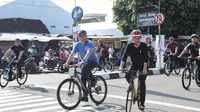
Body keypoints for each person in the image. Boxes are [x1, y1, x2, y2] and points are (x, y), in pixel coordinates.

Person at [64, 30, 99, 102]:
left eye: (85, 36)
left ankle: (93, 80)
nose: (84, 37)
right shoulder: (77, 45)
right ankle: (85, 96)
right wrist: (67, 63)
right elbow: (72, 54)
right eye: (82, 36)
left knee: (85, 69)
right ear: (79, 37)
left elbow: (89, 53)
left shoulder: (90, 43)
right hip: (85, 62)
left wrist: (83, 61)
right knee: (82, 80)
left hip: (93, 61)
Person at [119, 29, 148, 110]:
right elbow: (124, 57)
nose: (137, 39)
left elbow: (146, 58)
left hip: (143, 65)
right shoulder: (129, 46)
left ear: (140, 38)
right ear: (132, 38)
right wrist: (121, 66)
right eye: (135, 38)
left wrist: (145, 69)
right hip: (134, 65)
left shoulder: (144, 45)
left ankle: (142, 103)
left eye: (138, 37)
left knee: (142, 83)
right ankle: (132, 86)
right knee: (127, 75)